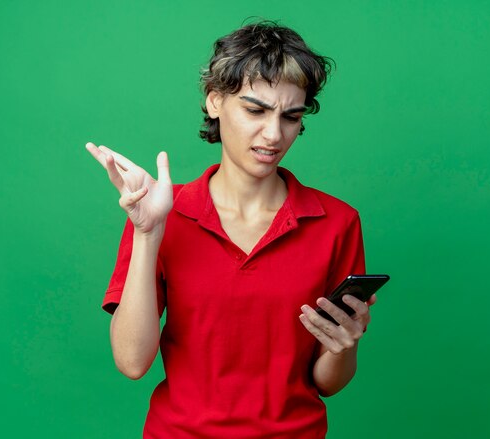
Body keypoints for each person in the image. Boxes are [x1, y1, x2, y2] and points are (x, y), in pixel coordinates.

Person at [86, 20, 376, 439]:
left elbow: (327, 382)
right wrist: (148, 233)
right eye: (255, 110)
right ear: (215, 102)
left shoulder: (337, 223)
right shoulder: (160, 212)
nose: (273, 134)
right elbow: (132, 363)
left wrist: (344, 345)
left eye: (291, 116)